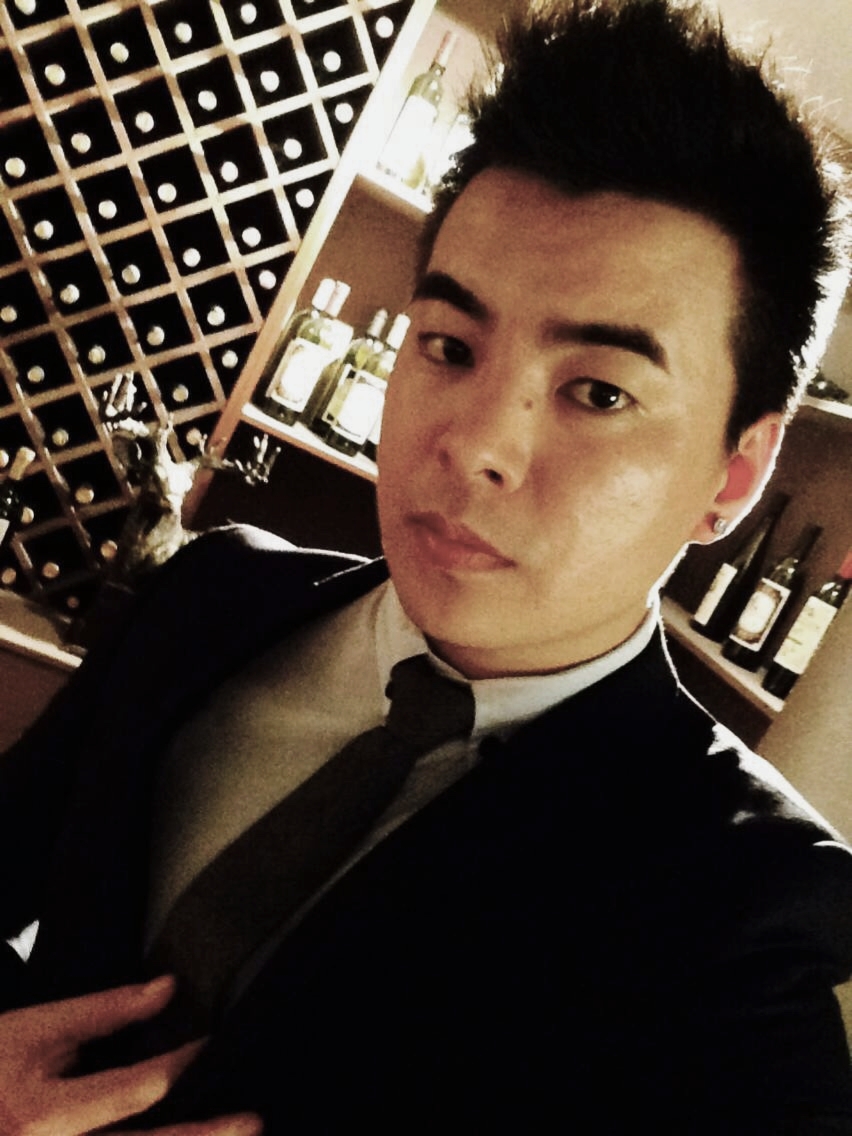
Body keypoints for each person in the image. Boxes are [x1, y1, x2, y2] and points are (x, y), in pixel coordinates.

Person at [1, 0, 851, 1131]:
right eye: (448, 345)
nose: (476, 441)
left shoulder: (742, 904)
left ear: (733, 476)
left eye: (600, 391)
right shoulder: (210, 600)